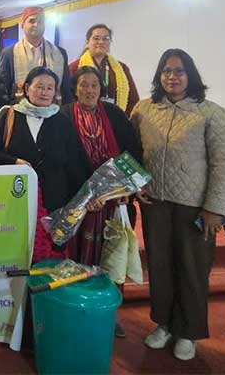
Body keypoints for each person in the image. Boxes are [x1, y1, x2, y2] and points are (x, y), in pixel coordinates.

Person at [131, 49, 225, 361]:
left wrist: (215, 208)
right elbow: (131, 152)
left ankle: (188, 332)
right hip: (156, 204)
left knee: (192, 270)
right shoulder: (143, 110)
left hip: (196, 208)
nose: (172, 77)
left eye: (178, 71)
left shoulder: (211, 114)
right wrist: (137, 183)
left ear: (190, 75)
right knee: (160, 267)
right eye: (166, 71)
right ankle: (163, 324)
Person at [60, 66, 142, 337]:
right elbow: (59, 159)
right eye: (84, 84)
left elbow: (133, 152)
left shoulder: (115, 116)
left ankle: (109, 313)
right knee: (76, 257)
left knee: (111, 257)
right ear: (75, 88)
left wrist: (125, 188)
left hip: (113, 203)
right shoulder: (62, 116)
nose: (89, 90)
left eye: (94, 84)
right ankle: (76, 309)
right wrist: (84, 193)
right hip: (78, 202)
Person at [0, 67, 86, 262]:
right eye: (39, 86)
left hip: (52, 205)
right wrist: (14, 162)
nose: (44, 92)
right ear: (26, 88)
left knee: (48, 261)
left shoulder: (62, 121)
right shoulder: (9, 116)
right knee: (15, 255)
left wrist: (82, 199)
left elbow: (75, 163)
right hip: (14, 202)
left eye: (50, 88)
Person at [0, 7, 72, 105]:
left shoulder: (59, 53)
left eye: (40, 21)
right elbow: (2, 90)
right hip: (21, 111)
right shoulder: (9, 53)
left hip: (52, 111)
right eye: (32, 21)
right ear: (23, 25)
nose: (36, 25)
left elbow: (65, 89)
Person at [69, 24, 140, 116]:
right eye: (96, 38)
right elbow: (69, 98)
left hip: (115, 119)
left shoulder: (122, 69)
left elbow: (133, 100)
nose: (101, 42)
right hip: (84, 119)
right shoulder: (74, 67)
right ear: (87, 42)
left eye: (106, 38)